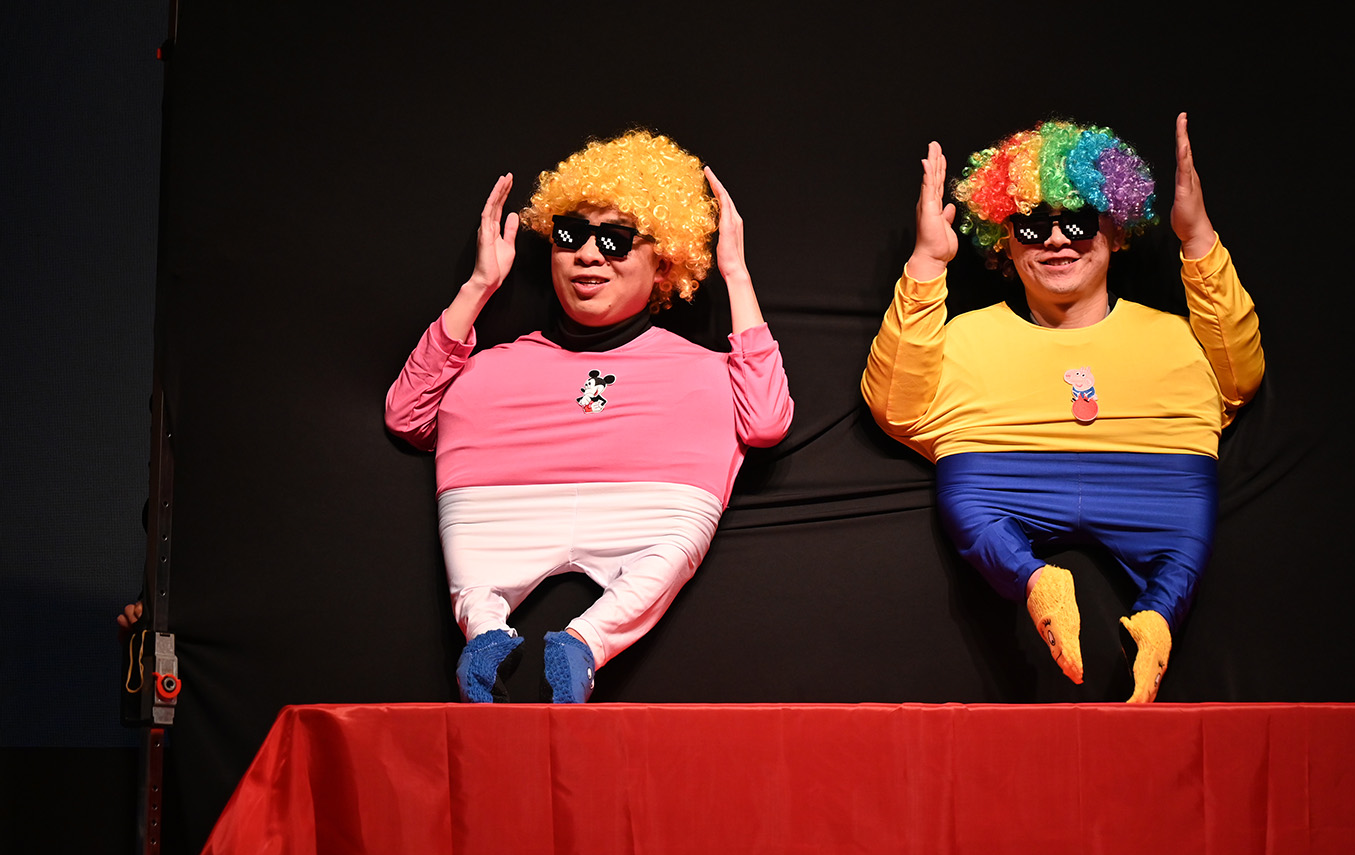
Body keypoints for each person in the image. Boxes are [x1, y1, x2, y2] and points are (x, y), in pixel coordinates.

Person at [861, 114, 1263, 702]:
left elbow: (1242, 372)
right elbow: (894, 405)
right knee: (971, 511)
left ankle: (1158, 619)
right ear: (1004, 240)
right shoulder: (963, 339)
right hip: (1001, 476)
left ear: (1115, 230)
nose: (1055, 241)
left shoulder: (1177, 339)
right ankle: (1037, 583)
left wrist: (1197, 236)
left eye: (1078, 221)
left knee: (1184, 544)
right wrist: (927, 262)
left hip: (1158, 479)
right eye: (1031, 226)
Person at [386, 131, 793, 703]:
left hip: (653, 507)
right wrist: (479, 286)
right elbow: (406, 416)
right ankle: (484, 635)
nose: (588, 254)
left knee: (662, 558)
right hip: (498, 506)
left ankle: (582, 645)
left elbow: (767, 422)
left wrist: (737, 276)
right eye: (570, 235)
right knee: (476, 577)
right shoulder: (488, 369)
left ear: (665, 263)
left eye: (615, 240)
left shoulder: (708, 372)